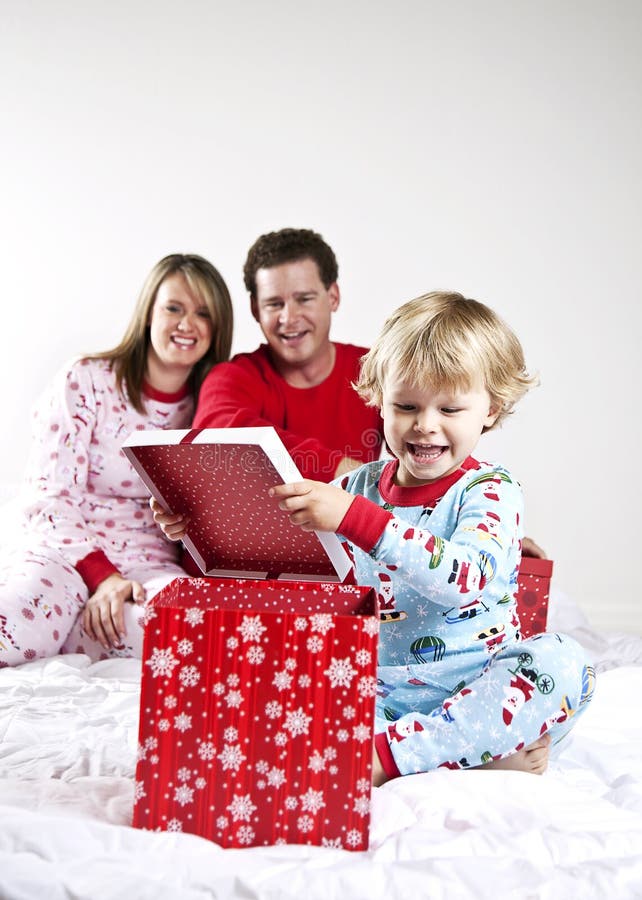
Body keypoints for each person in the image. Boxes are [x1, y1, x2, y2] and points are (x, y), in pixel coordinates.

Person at [268, 292, 594, 782]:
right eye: (406, 405)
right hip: (378, 694)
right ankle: (468, 752)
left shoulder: (491, 490)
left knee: (564, 664)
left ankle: (392, 758)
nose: (425, 425)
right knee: (280, 676)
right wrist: (196, 523)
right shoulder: (354, 491)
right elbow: (281, 550)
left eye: (450, 408)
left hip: (480, 685)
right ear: (379, 399)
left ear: (491, 409)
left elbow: (462, 577)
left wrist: (356, 519)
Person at [157, 226, 546, 558]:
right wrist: (354, 476)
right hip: (249, 560)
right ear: (256, 310)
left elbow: (433, 455)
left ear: (333, 297)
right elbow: (223, 441)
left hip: (345, 555)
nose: (289, 317)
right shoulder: (232, 377)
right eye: (274, 303)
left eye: (304, 298)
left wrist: (483, 529)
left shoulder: (379, 369)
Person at [0, 254, 233, 667]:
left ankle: (75, 633)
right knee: (13, 623)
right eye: (174, 308)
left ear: (217, 329)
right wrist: (102, 578)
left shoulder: (211, 407)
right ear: (148, 313)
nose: (187, 324)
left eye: (203, 313)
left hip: (147, 567)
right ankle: (61, 621)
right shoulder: (85, 378)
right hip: (64, 552)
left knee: (201, 634)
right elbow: (49, 498)